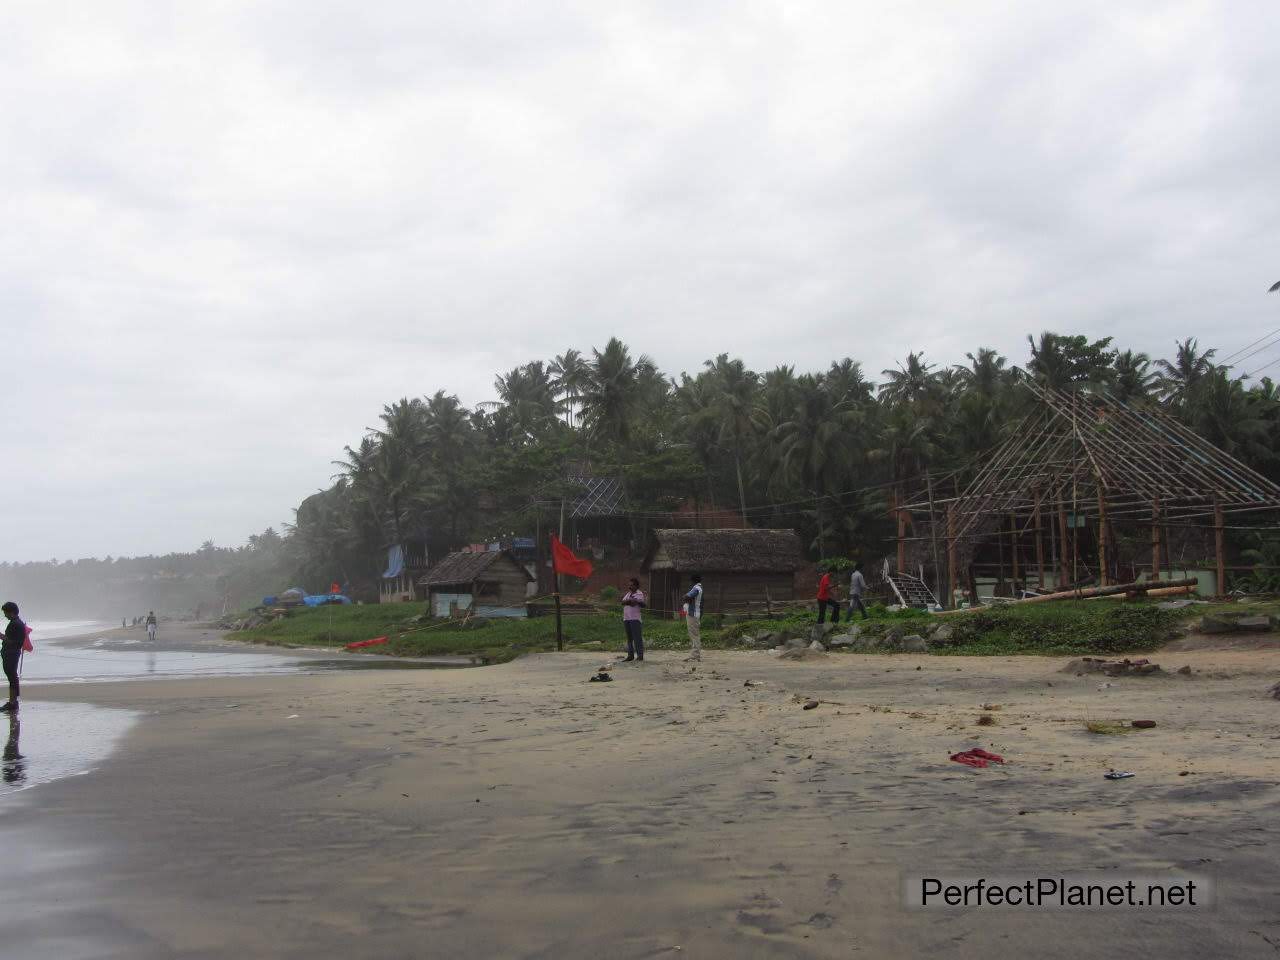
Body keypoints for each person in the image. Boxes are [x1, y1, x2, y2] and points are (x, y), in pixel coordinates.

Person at [1, 602, 27, 713]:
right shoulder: (17, 623)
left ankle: (12, 702)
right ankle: (13, 701)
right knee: (12, 677)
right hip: (13, 652)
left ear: (11, 612)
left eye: (6, 613)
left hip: (11, 653)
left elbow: (10, 641)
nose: (5, 615)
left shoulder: (15, 624)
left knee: (12, 677)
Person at [621, 577, 645, 662]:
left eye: (632, 585)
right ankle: (630, 655)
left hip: (635, 619)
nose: (630, 587)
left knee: (637, 638)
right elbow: (623, 602)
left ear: (636, 586)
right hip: (626, 618)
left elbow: (633, 603)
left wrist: (629, 601)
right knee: (629, 638)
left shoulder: (639, 594)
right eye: (629, 585)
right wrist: (629, 601)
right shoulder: (628, 594)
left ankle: (640, 656)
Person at [683, 574, 704, 662]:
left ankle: (695, 655)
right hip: (694, 613)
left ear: (692, 581)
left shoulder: (696, 588)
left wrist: (686, 598)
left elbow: (686, 597)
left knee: (694, 635)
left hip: (693, 614)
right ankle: (695, 654)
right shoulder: (698, 588)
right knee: (694, 634)